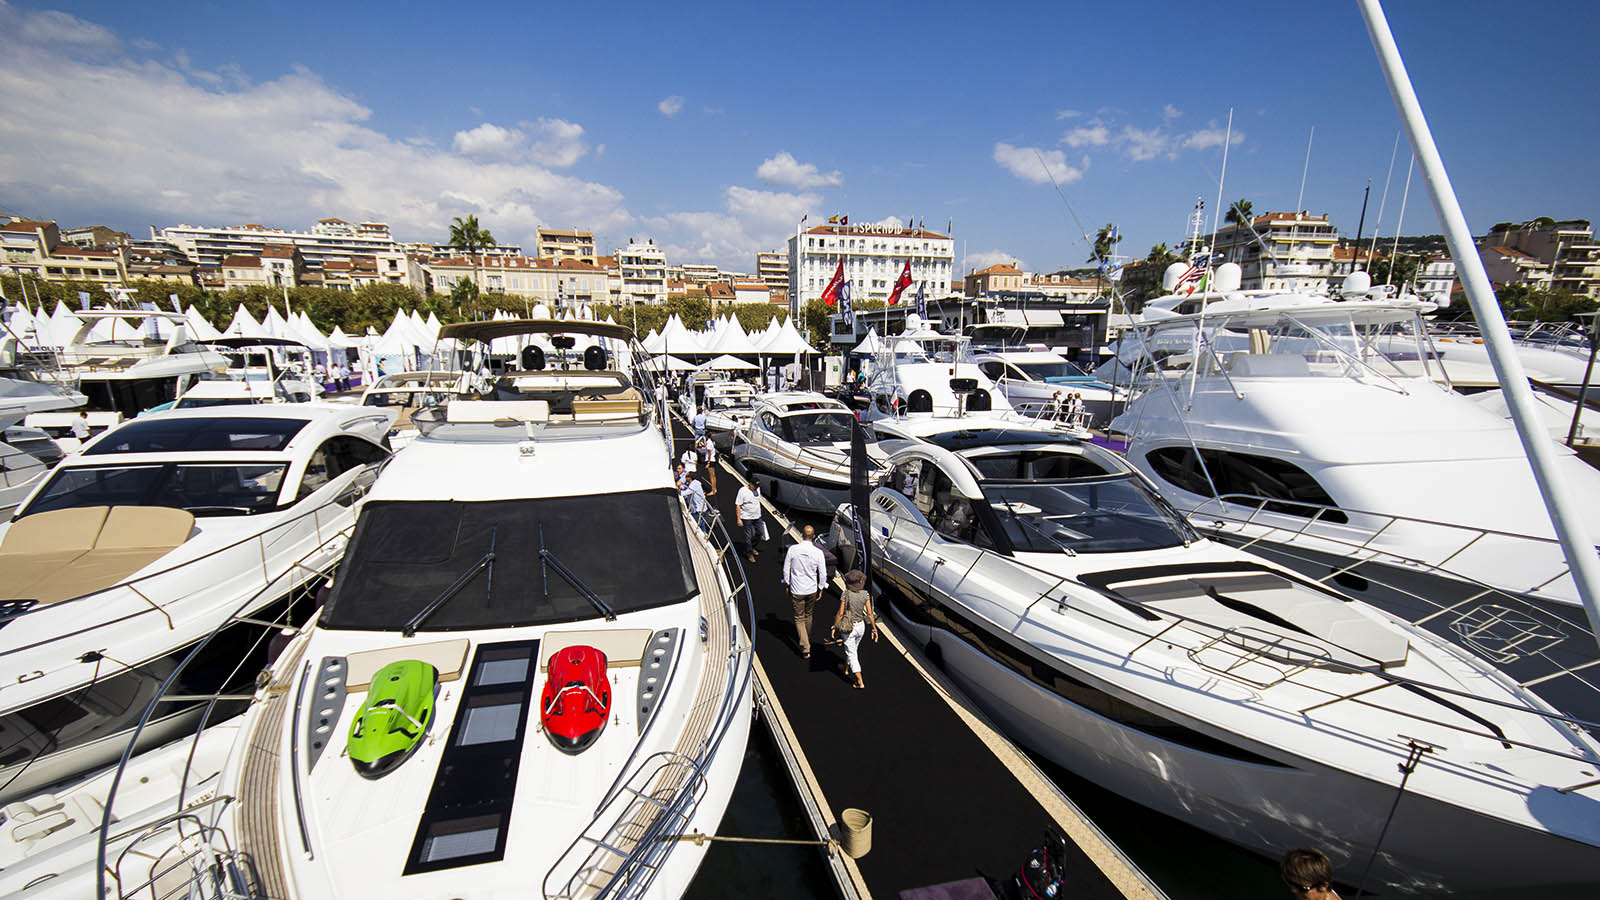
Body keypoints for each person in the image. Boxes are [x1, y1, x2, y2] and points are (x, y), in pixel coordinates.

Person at [782, 524, 827, 660]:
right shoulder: (818, 553)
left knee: (799, 617)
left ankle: (806, 646)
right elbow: (823, 573)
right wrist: (820, 588)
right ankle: (806, 637)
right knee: (809, 614)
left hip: (797, 589)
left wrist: (788, 584)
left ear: (801, 535)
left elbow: (786, 569)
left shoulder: (793, 550)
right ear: (813, 537)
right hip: (811, 589)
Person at [831, 569, 877, 689]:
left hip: (849, 628)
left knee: (852, 654)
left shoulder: (846, 594)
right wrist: (874, 629)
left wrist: (834, 627)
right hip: (861, 626)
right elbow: (870, 613)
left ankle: (859, 681)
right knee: (853, 649)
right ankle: (846, 668)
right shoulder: (865, 594)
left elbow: (840, 613)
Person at [735, 478, 763, 563]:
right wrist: (739, 519)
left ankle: (752, 546)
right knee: (748, 536)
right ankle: (749, 553)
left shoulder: (757, 489)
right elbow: (738, 505)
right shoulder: (742, 491)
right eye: (754, 486)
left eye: (757, 486)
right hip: (747, 517)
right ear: (750, 484)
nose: (755, 488)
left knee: (760, 533)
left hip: (757, 516)